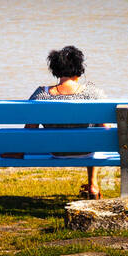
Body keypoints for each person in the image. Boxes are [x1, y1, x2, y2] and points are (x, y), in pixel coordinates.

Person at [26, 45, 108, 199]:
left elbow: (29, 128)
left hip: (56, 151)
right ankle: (93, 184)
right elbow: (106, 129)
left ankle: (92, 184)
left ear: (55, 69)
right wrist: (126, 148)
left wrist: (16, 151)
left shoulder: (41, 94)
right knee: (94, 132)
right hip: (86, 151)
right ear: (79, 68)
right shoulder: (94, 93)